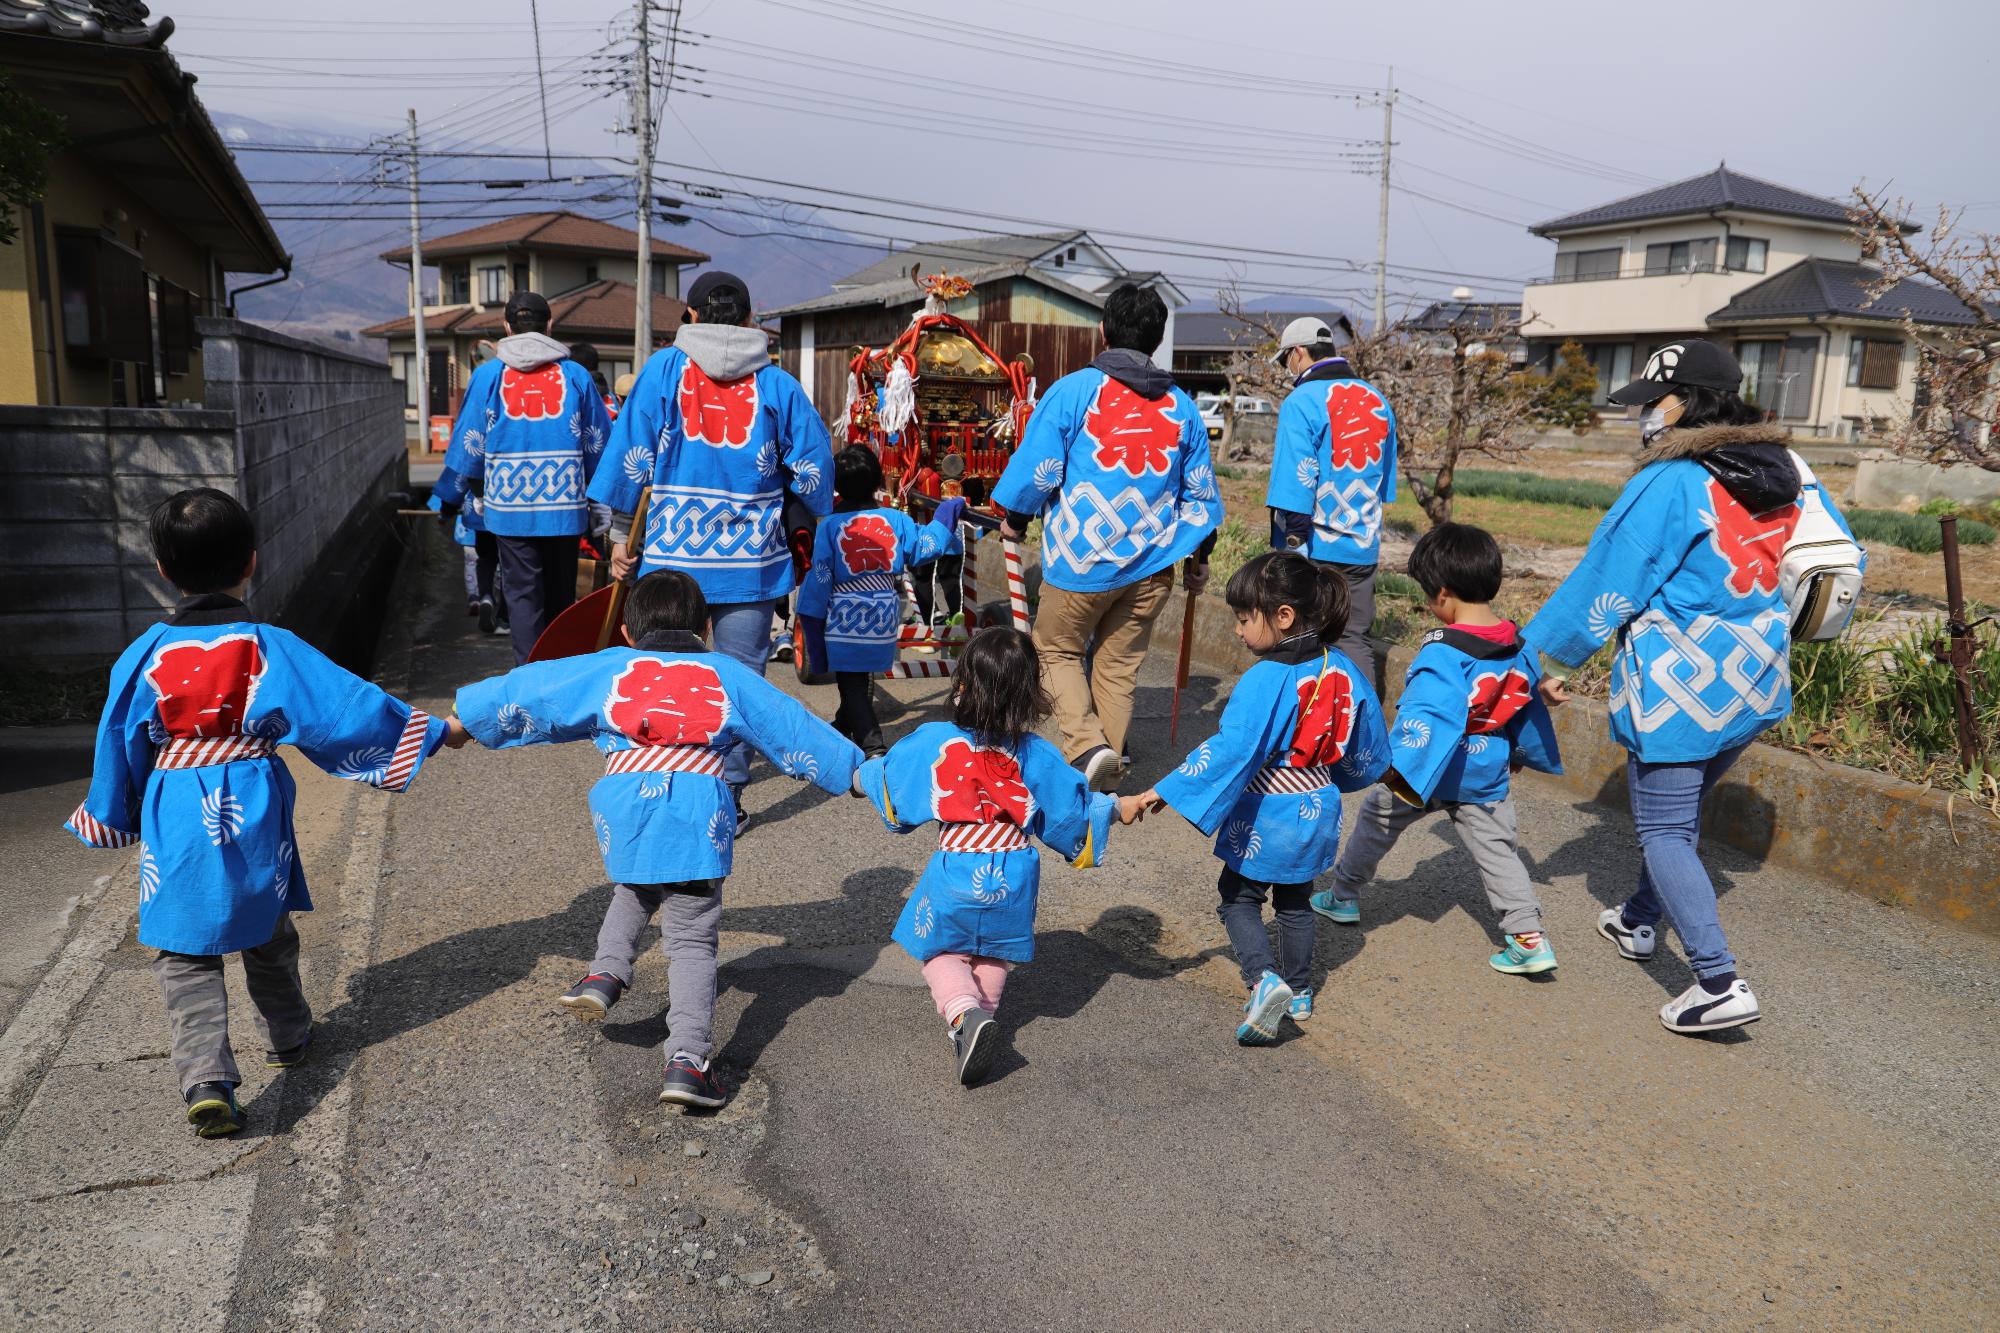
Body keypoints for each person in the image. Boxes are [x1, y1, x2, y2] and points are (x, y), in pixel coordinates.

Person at [63, 489, 464, 1135]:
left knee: (181, 948)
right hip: (251, 801)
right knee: (266, 927)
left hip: (176, 809)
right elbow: (342, 706)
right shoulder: (266, 644)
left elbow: (119, 737)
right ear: (252, 561)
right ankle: (289, 1034)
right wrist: (432, 730)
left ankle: (206, 1077)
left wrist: (115, 809)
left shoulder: (143, 654)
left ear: (162, 568)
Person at [1524, 338, 1860, 1034]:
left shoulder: (1671, 479)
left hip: (1681, 683)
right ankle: (1639, 919)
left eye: (1652, 400)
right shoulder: (1791, 468)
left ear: (1689, 403)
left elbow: (1608, 580)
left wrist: (1538, 662)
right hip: (1755, 675)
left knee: (1665, 829)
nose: (1644, 414)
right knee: (1683, 810)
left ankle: (1718, 979)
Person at [453, 569, 862, 1108]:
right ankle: (688, 1062)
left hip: (624, 809)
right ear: (706, 630)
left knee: (638, 885)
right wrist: (859, 775)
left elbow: (535, 689)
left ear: (627, 630)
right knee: (691, 936)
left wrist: (460, 724)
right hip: (693, 812)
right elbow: (790, 725)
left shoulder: (609, 668)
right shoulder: (724, 674)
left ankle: (603, 974)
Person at [590, 270, 834, 831]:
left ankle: (664, 777)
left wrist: (619, 537)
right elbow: (814, 471)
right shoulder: (778, 386)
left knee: (666, 669)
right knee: (740, 676)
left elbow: (633, 457)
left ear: (692, 317)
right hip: (751, 558)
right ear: (750, 319)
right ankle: (729, 792)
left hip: (674, 557)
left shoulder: (662, 373)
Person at [1125, 552, 1388, 1044]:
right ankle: (1302, 990)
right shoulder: (1343, 667)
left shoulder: (1267, 678)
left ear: (1283, 616)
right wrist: (1342, 777)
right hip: (1319, 805)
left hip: (1271, 810)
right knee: (1295, 900)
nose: (1239, 631)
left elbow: (1231, 749)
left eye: (1245, 619)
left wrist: (1168, 788)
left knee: (1238, 897)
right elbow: (1366, 739)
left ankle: (1263, 978)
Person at [853, 627, 1121, 1085]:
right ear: (1029, 695)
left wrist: (859, 777)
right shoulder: (1036, 752)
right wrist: (1113, 809)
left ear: (961, 689)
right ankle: (983, 1020)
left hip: (958, 864)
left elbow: (890, 782)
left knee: (940, 949)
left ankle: (964, 1016)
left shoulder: (936, 738)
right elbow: (1069, 812)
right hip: (1015, 868)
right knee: (993, 951)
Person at [991, 282, 1222, 791]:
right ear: (1157, 338)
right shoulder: (1182, 406)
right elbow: (1199, 494)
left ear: (1103, 330)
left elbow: (1039, 469)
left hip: (1082, 560)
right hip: (1153, 564)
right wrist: (1198, 558)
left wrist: (1014, 518)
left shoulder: (1075, 391)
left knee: (1055, 651)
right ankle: (1106, 766)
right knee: (1118, 666)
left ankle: (1087, 747)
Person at [1318, 523, 1565, 976]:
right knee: (1498, 851)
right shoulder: (1517, 642)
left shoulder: (1441, 652)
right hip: (1487, 769)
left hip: (1430, 766)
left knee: (1378, 818)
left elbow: (1423, 718)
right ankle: (1528, 937)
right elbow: (1531, 678)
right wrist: (1546, 684)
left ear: (1444, 594)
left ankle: (1343, 895)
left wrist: (1388, 765)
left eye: (1428, 595)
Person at [434, 291, 612, 663]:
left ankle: (530, 687)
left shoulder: (488, 375)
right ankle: (562, 678)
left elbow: (470, 445)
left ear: (506, 327)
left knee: (521, 597)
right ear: (550, 325)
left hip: (509, 508)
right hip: (565, 507)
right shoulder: (576, 375)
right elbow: (598, 445)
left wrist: (449, 499)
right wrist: (604, 505)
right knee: (561, 598)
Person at [795, 446, 964, 755]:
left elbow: (819, 578)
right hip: (884, 611)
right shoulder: (895, 520)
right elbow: (926, 546)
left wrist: (809, 611)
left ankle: (873, 745)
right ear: (876, 480)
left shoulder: (830, 527)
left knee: (851, 680)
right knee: (859, 676)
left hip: (845, 613)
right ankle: (843, 724)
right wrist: (945, 514)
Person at [1263, 314, 1398, 692]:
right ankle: (1362, 733)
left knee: (1301, 640)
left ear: (1300, 353)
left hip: (1313, 544)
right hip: (1361, 543)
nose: (1287, 367)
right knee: (1353, 637)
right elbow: (1384, 482)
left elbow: (1295, 482)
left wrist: (1294, 548)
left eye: (1286, 358)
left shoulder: (1302, 401)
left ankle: (1309, 730)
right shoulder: (1377, 400)